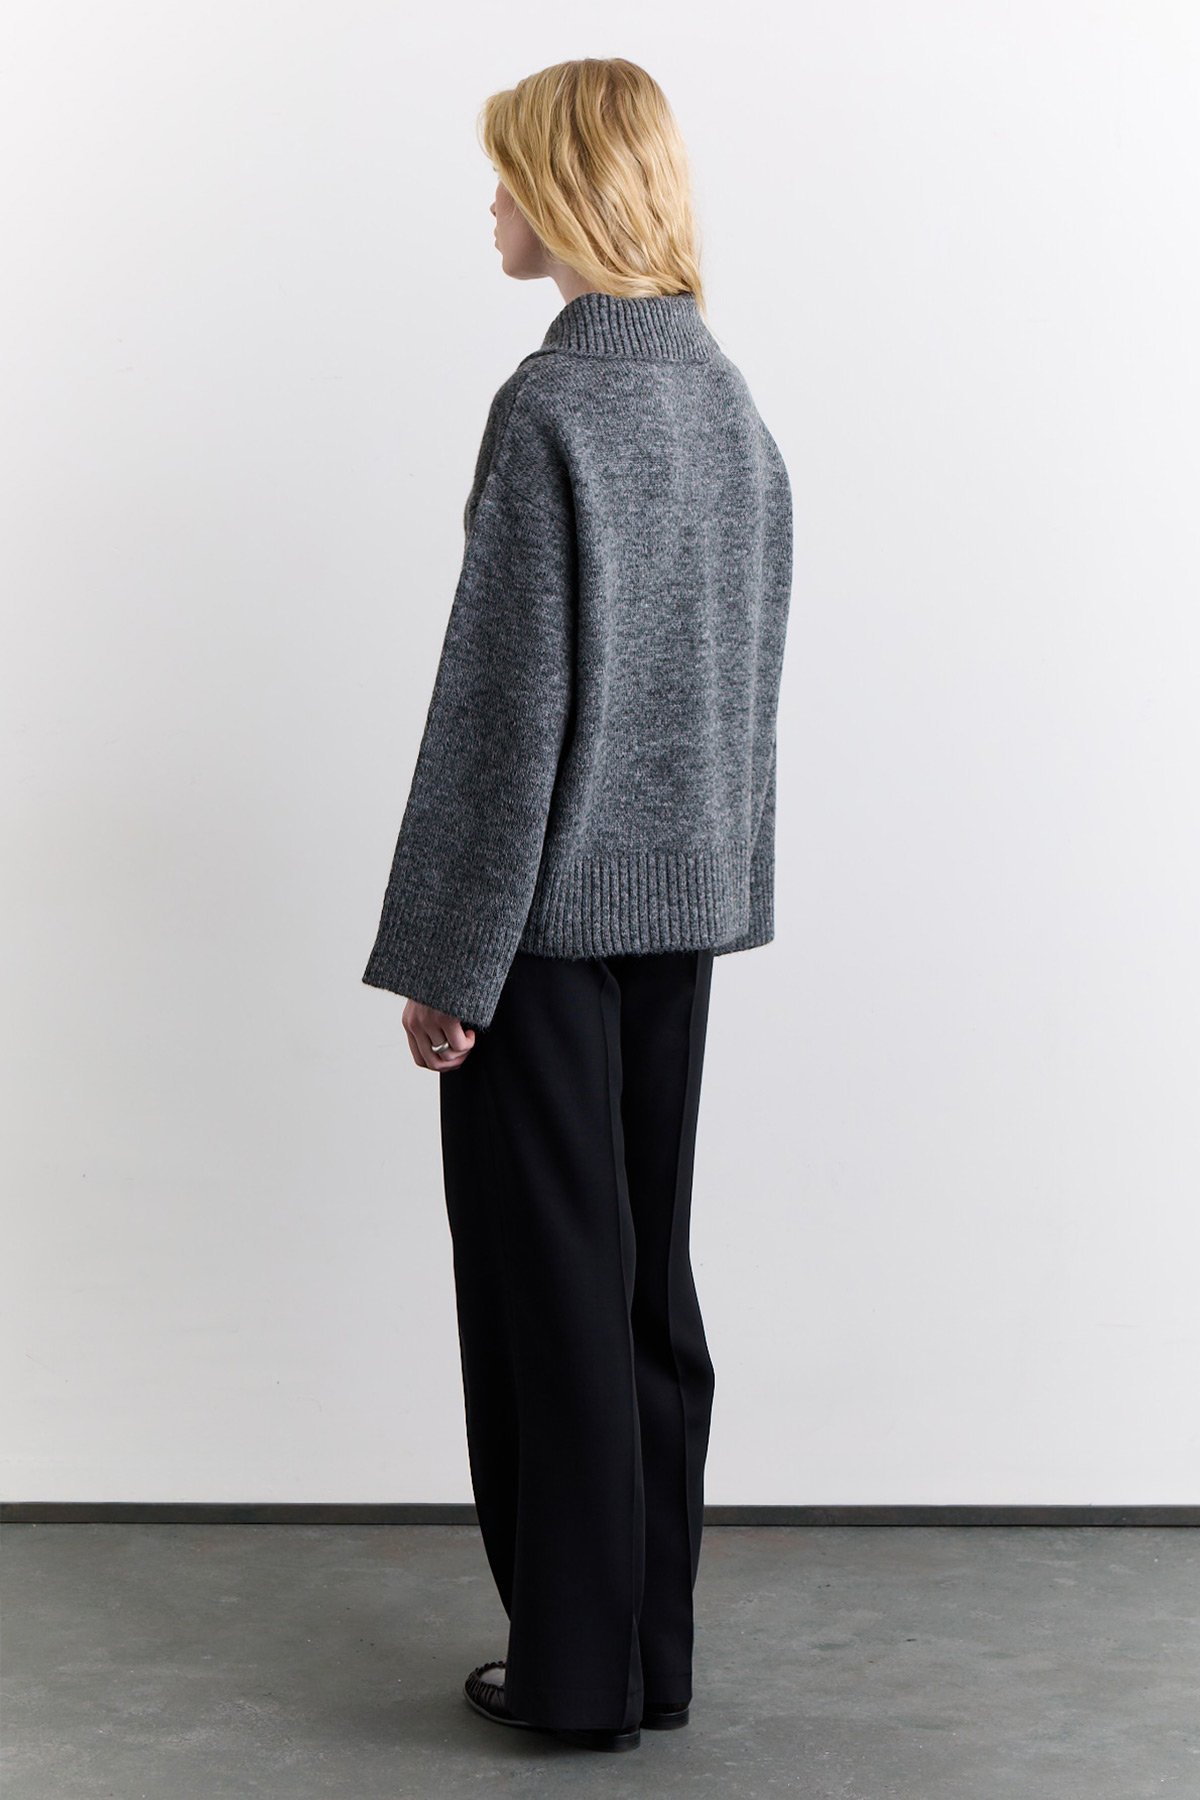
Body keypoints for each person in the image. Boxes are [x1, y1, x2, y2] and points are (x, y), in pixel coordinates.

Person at [362, 57, 793, 1753]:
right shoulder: (728, 404)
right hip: (679, 919)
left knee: (548, 1298)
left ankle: (567, 1678)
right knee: (642, 1299)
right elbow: (738, 683)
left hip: (541, 927)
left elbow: (501, 714)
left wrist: (449, 959)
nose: (492, 203)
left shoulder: (553, 407)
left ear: (568, 192)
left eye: (510, 175)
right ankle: (646, 1661)